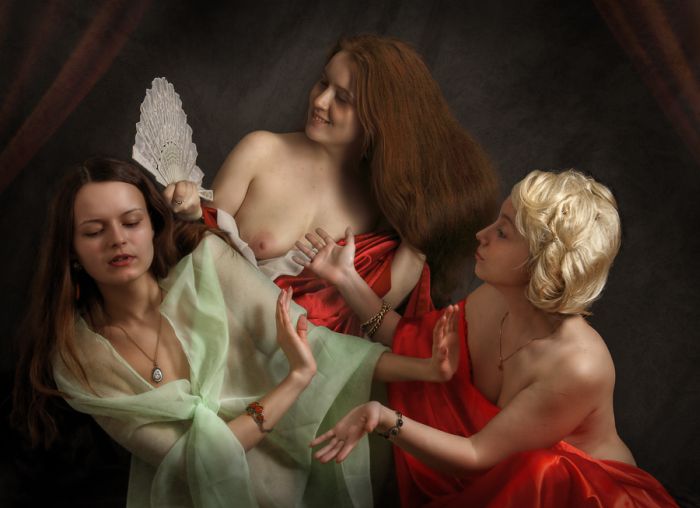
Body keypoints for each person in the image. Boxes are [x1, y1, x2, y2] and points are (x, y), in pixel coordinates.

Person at [11, 158, 462, 508]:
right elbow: (194, 462)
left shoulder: (209, 264)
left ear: (152, 225)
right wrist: (295, 380)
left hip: (302, 478)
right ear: (72, 252)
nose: (118, 240)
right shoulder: (77, 357)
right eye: (94, 231)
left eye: (131, 222)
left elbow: (322, 347)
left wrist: (426, 369)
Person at [304, 170, 678, 506]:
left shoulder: (578, 365)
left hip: (576, 495)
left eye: (502, 231)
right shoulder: (494, 298)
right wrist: (345, 278)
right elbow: (410, 343)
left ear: (542, 262)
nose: (480, 235)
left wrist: (385, 419)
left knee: (544, 471)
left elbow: (477, 455)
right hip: (491, 470)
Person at [168, 33, 499, 335]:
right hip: (202, 327)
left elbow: (370, 318)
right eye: (322, 83)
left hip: (293, 364)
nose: (321, 101)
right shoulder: (261, 150)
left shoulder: (380, 207)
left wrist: (418, 240)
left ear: (378, 117)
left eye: (343, 98)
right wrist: (188, 212)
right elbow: (196, 249)